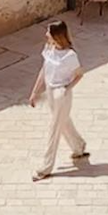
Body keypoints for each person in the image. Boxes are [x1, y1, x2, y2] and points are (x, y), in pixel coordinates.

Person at [28, 21, 88, 181]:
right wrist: (34, 92)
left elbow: (79, 74)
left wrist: (67, 89)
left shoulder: (70, 56)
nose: (46, 35)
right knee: (64, 122)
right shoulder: (49, 49)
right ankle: (79, 146)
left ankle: (45, 167)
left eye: (48, 32)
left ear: (56, 35)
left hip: (61, 94)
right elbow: (44, 70)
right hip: (50, 91)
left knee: (54, 128)